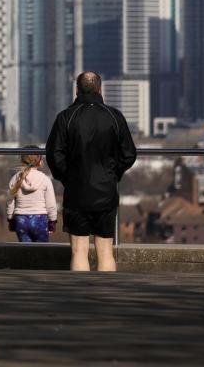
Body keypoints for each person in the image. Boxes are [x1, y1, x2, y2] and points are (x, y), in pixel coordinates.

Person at [46, 71, 138, 271]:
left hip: (77, 190)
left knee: (79, 251)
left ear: (77, 90)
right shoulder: (114, 116)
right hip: (106, 190)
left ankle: (79, 298)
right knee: (105, 251)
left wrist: (67, 177)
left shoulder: (66, 117)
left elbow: (54, 155)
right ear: (100, 89)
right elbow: (129, 154)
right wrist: (114, 173)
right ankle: (107, 297)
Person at [6, 149, 57, 243]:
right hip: (40, 220)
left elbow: (10, 201)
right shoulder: (45, 179)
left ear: (22, 161)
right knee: (42, 251)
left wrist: (10, 218)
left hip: (21, 220)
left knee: (26, 252)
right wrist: (52, 221)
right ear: (40, 162)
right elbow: (51, 204)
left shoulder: (15, 178)